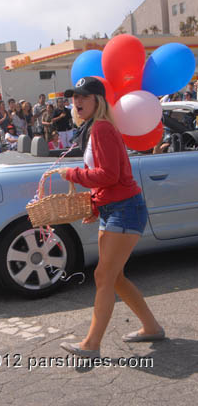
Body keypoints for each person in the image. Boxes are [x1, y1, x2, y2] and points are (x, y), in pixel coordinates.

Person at [58, 77, 164, 359]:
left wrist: (73, 175)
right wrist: (96, 205)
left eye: (83, 97)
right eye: (74, 98)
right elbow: (109, 179)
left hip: (125, 209)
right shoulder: (95, 129)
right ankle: (152, 327)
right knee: (113, 277)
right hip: (115, 208)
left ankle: (91, 345)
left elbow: (109, 175)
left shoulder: (102, 128)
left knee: (104, 275)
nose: (77, 102)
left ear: (98, 101)